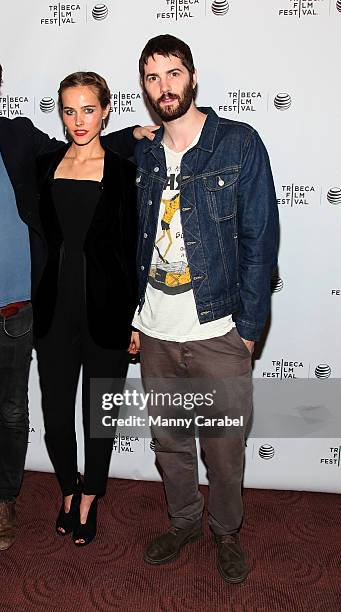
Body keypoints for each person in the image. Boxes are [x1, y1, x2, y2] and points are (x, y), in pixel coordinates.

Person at [0, 40, 153, 566]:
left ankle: (19, 504)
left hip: (23, 316)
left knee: (23, 419)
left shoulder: (18, 138)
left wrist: (131, 135)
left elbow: (128, 227)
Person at [129, 35, 279, 583]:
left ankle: (226, 532)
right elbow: (127, 236)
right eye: (151, 77)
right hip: (156, 330)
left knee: (223, 449)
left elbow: (260, 239)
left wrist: (249, 328)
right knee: (169, 441)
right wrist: (133, 317)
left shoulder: (237, 144)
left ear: (192, 76)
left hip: (219, 328)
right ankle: (184, 521)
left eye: (172, 73)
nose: (163, 86)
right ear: (143, 87)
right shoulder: (142, 152)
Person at [33, 72, 138, 546]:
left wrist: (138, 315)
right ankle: (67, 487)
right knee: (56, 412)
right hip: (54, 308)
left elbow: (134, 245)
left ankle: (91, 495)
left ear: (106, 110)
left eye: (88, 109)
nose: (79, 120)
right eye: (69, 110)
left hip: (109, 310)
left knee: (100, 412)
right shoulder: (43, 165)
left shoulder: (123, 169)